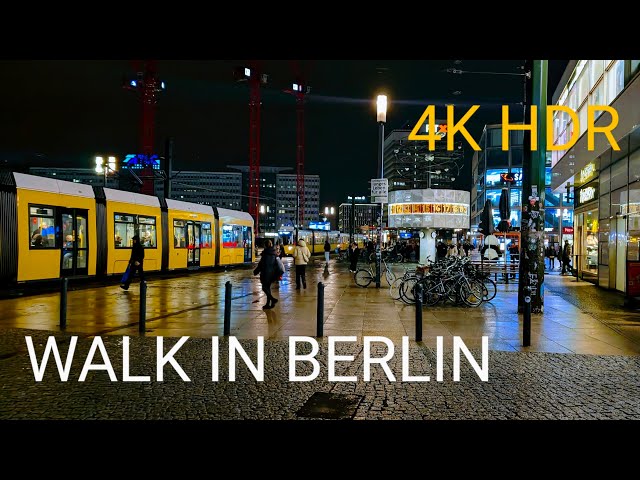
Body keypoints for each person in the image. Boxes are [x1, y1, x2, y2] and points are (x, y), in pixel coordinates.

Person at [253, 239, 280, 309]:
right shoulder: (274, 253)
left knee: (264, 288)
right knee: (268, 288)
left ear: (265, 245)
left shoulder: (265, 254)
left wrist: (256, 271)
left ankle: (273, 299)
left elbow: (261, 264)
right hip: (272, 274)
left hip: (265, 273)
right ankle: (268, 304)